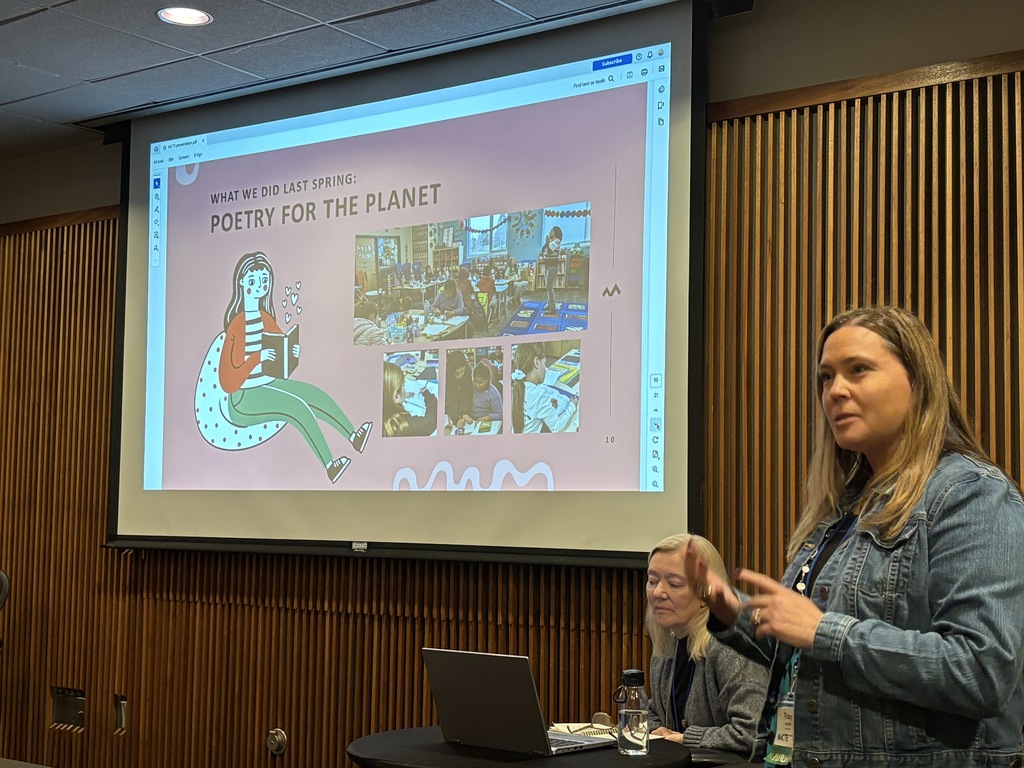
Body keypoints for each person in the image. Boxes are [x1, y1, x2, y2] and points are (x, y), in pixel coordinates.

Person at [684, 305, 1024, 768]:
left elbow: (980, 671)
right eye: (825, 377)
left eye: (858, 370)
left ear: (918, 382)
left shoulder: (972, 495)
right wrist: (736, 614)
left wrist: (825, 631)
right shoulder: (844, 507)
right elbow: (808, 655)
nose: (835, 391)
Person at [218, 251, 372, 483]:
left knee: (312, 394)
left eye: (263, 281)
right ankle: (330, 465)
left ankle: (353, 436)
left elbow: (280, 354)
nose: (259, 286)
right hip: (242, 399)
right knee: (297, 407)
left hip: (267, 383)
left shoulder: (264, 318)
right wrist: (257, 358)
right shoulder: (236, 327)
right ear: (241, 282)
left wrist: (290, 352)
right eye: (252, 281)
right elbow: (227, 382)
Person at [646, 533, 768, 756]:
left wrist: (687, 739)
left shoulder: (731, 650)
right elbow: (655, 713)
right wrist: (654, 730)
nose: (657, 593)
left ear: (706, 594)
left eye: (674, 584)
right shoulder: (667, 646)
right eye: (652, 581)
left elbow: (754, 734)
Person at [510, 342, 576, 433]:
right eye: (545, 364)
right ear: (536, 362)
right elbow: (556, 427)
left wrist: (546, 403)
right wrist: (572, 406)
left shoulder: (518, 386)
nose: (546, 369)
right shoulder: (538, 395)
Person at [382, 361, 436, 437]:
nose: (405, 388)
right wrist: (428, 395)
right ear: (396, 396)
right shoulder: (404, 425)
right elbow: (431, 420)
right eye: (403, 386)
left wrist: (403, 395)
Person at [445, 350, 474, 429]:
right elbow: (450, 398)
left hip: (461, 395)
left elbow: (467, 393)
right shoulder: (447, 374)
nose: (460, 375)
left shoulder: (467, 370)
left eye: (462, 371)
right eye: (457, 373)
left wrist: (465, 413)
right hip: (451, 398)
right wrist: (456, 419)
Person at [538, 225, 562, 312]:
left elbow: (548, 251)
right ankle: (549, 303)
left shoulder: (557, 241)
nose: (549, 232)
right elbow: (542, 250)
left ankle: (552, 306)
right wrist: (546, 243)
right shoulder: (551, 242)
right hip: (547, 266)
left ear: (555, 232)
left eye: (551, 231)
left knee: (549, 286)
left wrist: (547, 243)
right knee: (548, 286)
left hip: (552, 267)